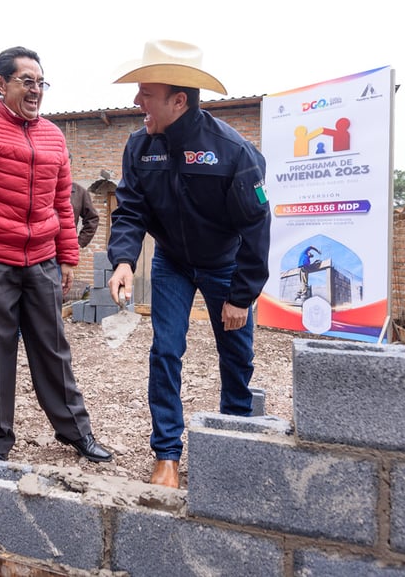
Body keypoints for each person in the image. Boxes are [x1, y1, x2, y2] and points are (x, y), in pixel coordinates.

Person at [0, 46, 112, 464]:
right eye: (26, 81)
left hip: (41, 260)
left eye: (40, 82)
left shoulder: (53, 136)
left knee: (53, 347)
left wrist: (68, 255)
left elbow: (61, 204)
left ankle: (75, 430)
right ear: (1, 84)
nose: (36, 91)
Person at [106, 40, 272, 488]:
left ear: (179, 100)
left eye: (146, 93)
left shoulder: (231, 151)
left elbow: (257, 224)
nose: (137, 101)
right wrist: (123, 261)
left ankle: (234, 441)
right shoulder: (141, 146)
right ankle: (167, 456)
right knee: (165, 350)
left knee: (236, 355)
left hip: (225, 265)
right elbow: (130, 210)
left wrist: (242, 295)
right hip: (173, 264)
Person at [69, 153, 99, 249]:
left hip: (66, 250)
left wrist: (80, 242)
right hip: (40, 250)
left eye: (66, 165)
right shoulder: (42, 189)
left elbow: (92, 218)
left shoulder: (79, 192)